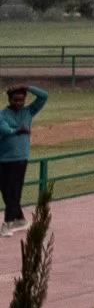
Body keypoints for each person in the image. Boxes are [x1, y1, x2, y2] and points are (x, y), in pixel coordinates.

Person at [0, 82, 48, 233]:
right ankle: (20, 219)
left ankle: (7, 223)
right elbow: (4, 129)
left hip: (20, 157)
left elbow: (43, 96)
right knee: (6, 191)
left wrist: (27, 87)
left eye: (21, 100)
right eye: (15, 100)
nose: (18, 103)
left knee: (14, 190)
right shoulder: (2, 114)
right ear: (9, 99)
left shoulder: (28, 112)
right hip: (3, 158)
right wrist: (17, 131)